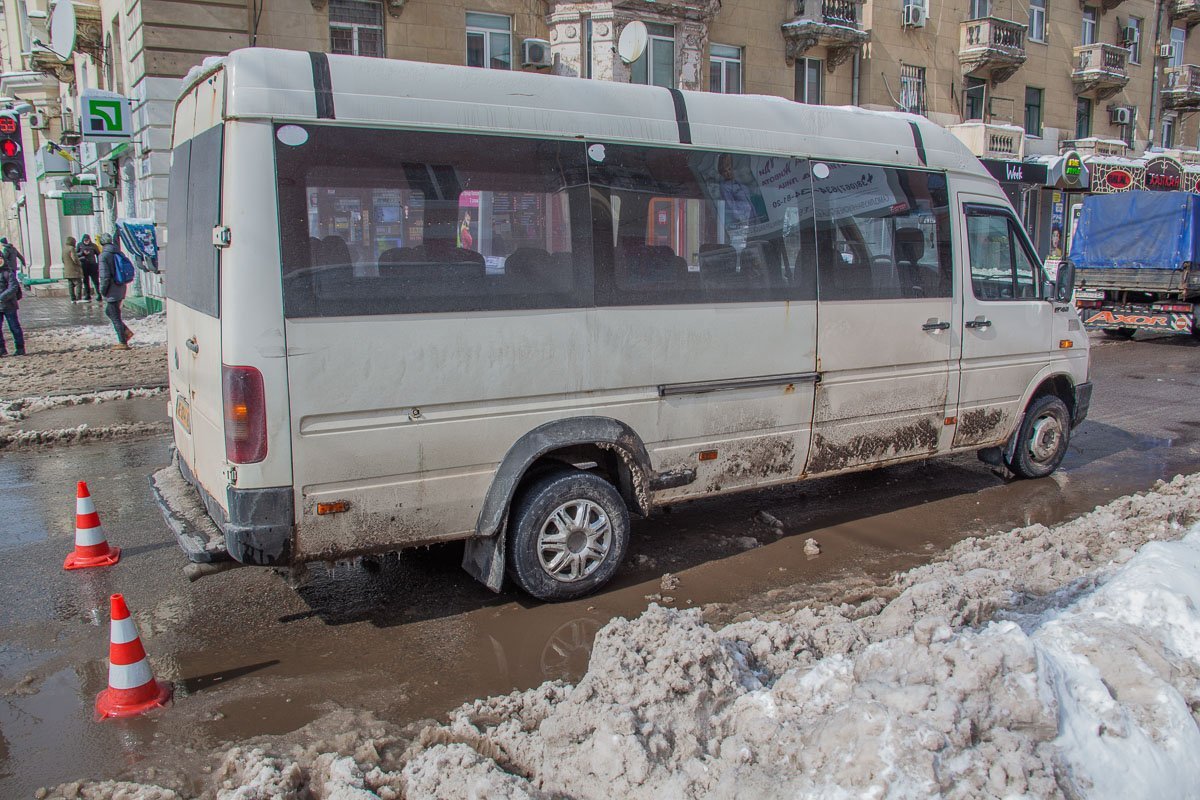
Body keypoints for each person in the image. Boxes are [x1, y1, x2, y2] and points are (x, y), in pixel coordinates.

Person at [97, 232, 133, 350]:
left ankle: (123, 341)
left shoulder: (103, 256)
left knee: (114, 315)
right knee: (110, 311)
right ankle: (125, 332)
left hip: (111, 289)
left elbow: (104, 276)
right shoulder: (118, 252)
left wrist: (102, 291)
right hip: (121, 286)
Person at [0, 250, 24, 356]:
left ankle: (20, 347)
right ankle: (1, 348)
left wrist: (2, 297)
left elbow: (13, 287)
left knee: (14, 327)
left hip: (9, 305)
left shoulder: (8, 273)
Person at [77, 234, 102, 301]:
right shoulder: (79, 245)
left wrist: (98, 263)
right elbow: (76, 254)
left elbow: (98, 254)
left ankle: (99, 294)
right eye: (85, 240)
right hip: (84, 265)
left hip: (92, 265)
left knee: (95, 281)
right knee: (85, 281)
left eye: (87, 240)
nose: (86, 242)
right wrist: (82, 253)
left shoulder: (93, 246)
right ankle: (87, 295)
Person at [63, 236, 84, 302]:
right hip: (74, 270)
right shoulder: (71, 248)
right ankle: (78, 298)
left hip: (67, 270)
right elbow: (74, 259)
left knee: (70, 284)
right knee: (78, 283)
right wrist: (79, 263)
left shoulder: (64, 249)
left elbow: (62, 259)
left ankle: (72, 298)